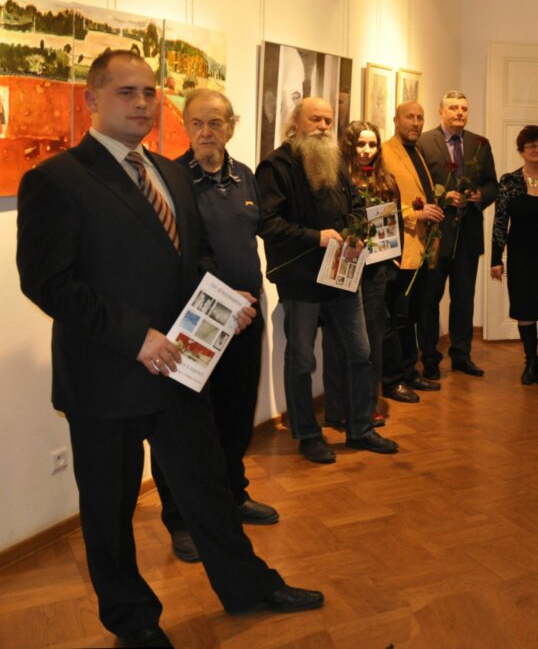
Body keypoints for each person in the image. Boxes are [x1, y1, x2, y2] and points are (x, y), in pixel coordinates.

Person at [17, 51, 322, 647]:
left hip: (181, 367)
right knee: (110, 510)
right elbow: (48, 282)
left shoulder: (170, 173)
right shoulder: (56, 180)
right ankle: (132, 620)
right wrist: (136, 337)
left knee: (208, 487)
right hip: (107, 379)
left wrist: (224, 300)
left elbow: (192, 256)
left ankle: (248, 586)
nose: (141, 103)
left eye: (149, 92)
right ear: (92, 99)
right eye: (126, 92)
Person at [149, 89, 278, 566]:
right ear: (185, 126)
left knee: (236, 415)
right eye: (198, 123)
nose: (206, 133)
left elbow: (264, 231)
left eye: (216, 123)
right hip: (195, 320)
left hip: (245, 319)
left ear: (231, 127)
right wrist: (225, 296)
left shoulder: (245, 176)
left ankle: (231, 496)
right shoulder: (171, 179)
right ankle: (181, 519)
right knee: (183, 424)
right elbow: (175, 255)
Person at [257, 97, 399, 463]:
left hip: (341, 275)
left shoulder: (335, 160)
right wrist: (315, 237)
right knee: (302, 360)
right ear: (296, 122)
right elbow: (268, 223)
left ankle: (361, 428)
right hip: (301, 280)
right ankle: (308, 435)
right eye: (315, 119)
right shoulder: (276, 165)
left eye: (328, 120)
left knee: (360, 353)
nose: (323, 126)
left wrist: (357, 231)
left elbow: (356, 205)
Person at [321, 122, 418, 429]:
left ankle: (367, 404)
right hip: (343, 266)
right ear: (349, 146)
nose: (366, 150)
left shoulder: (385, 181)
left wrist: (393, 261)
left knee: (372, 340)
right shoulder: (335, 178)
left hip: (376, 272)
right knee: (337, 340)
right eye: (360, 144)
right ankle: (337, 408)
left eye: (372, 144)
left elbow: (394, 224)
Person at [416, 90, 498, 378]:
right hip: (436, 235)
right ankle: (429, 357)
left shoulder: (480, 144)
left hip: (468, 234)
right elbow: (416, 187)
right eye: (453, 108)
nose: (459, 113)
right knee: (429, 299)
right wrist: (441, 198)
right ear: (441, 112)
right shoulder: (424, 142)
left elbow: (493, 184)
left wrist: (480, 195)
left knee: (464, 299)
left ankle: (461, 355)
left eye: (463, 108)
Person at [379, 101, 446, 401]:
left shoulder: (417, 152)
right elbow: (382, 203)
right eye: (410, 117)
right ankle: (393, 380)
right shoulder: (384, 152)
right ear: (396, 120)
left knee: (412, 316)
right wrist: (414, 214)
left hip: (422, 249)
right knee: (396, 318)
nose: (416, 122)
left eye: (420, 117)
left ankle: (409, 372)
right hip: (399, 249)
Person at [491, 125, 538, 385]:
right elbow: (500, 222)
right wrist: (496, 259)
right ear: (521, 150)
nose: (537, 149)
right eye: (531, 145)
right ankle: (530, 361)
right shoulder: (509, 181)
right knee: (524, 308)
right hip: (521, 256)